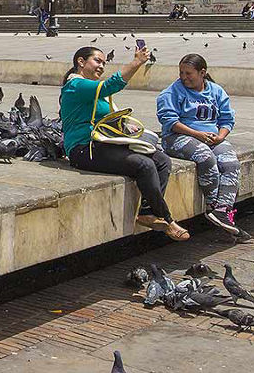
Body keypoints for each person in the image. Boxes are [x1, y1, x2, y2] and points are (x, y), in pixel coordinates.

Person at [61, 45, 189, 242]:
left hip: (105, 144)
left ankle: (147, 212)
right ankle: (168, 220)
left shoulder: (94, 92)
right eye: (97, 61)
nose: (102, 66)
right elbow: (110, 85)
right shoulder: (75, 86)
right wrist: (137, 62)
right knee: (144, 164)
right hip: (84, 149)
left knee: (162, 160)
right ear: (80, 62)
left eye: (104, 63)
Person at [157, 54, 241, 234]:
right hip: (177, 137)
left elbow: (227, 119)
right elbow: (169, 121)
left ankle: (223, 210)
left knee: (230, 162)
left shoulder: (216, 91)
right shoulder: (171, 93)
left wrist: (220, 136)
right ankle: (212, 205)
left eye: (189, 73)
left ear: (202, 73)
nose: (184, 77)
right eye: (181, 73)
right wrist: (197, 134)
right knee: (205, 156)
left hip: (211, 136)